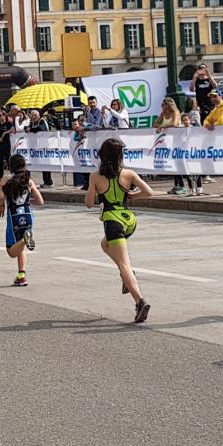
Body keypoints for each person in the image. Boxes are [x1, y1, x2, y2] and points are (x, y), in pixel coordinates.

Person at [84, 137, 154, 324]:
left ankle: (140, 301)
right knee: (104, 244)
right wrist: (131, 195)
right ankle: (127, 276)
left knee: (124, 264)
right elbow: (149, 192)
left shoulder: (96, 176)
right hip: (129, 220)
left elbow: (89, 203)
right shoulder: (128, 173)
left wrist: (95, 191)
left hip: (112, 222)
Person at [0, 154, 43, 287]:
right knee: (20, 248)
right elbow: (40, 201)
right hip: (28, 215)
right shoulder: (28, 181)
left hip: (14, 217)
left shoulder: (6, 179)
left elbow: (1, 196)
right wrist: (27, 203)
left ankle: (25, 239)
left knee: (11, 251)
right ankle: (21, 275)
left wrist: (1, 206)